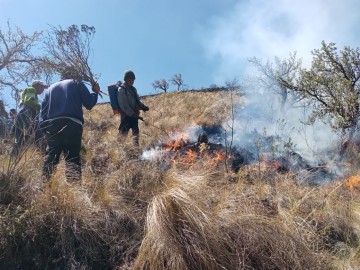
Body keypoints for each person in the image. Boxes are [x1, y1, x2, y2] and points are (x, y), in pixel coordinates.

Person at [40, 69, 100, 182]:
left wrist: (44, 131)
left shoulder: (50, 89)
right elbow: (89, 103)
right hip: (72, 124)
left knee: (50, 158)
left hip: (52, 125)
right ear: (74, 75)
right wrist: (95, 92)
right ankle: (74, 189)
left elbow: (42, 112)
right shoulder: (77, 83)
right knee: (72, 158)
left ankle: (44, 186)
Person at [11, 80, 48, 156]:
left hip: (20, 116)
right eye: (42, 87)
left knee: (20, 141)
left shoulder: (25, 92)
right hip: (28, 114)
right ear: (37, 85)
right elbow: (29, 101)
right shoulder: (31, 89)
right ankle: (46, 158)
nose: (43, 90)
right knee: (39, 138)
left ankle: (12, 158)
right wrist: (39, 107)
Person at [117, 70, 149, 146]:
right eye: (129, 80)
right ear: (125, 79)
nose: (131, 81)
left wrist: (143, 107)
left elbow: (137, 102)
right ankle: (118, 152)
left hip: (134, 115)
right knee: (122, 136)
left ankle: (136, 151)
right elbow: (124, 105)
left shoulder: (133, 89)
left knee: (136, 135)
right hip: (126, 116)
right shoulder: (121, 90)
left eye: (132, 80)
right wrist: (132, 114)